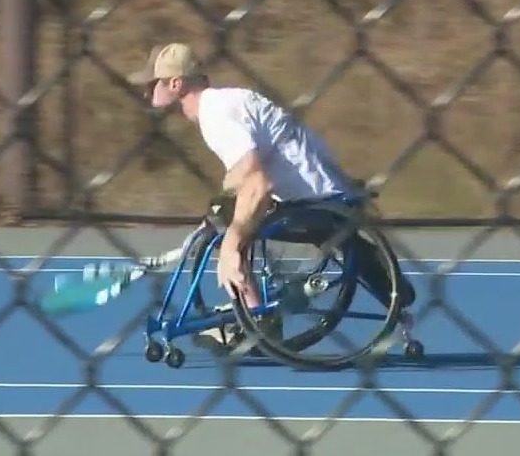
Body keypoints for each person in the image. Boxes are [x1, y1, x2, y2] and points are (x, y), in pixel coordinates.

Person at [125, 42, 416, 354]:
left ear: (176, 84)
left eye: (151, 84)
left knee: (227, 223)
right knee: (223, 209)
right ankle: (256, 308)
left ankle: (258, 319)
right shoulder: (225, 102)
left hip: (314, 206)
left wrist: (231, 246)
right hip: (323, 198)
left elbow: (256, 180)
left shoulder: (216, 113)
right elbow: (249, 170)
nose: (145, 92)